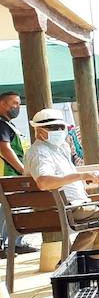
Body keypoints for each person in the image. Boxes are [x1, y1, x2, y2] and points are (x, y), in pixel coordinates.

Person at [28, 108, 99, 250]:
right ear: (39, 130)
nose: (60, 130)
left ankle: (78, 263)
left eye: (62, 127)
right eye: (54, 127)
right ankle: (91, 260)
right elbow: (44, 182)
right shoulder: (40, 153)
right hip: (63, 209)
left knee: (98, 219)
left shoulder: (59, 148)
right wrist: (82, 176)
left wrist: (86, 178)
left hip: (71, 206)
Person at [0, 92, 34, 255]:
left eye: (19, 104)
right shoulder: (1, 125)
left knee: (15, 208)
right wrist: (22, 170)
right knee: (6, 208)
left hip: (13, 174)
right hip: (7, 173)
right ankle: (5, 243)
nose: (17, 108)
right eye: (14, 104)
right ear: (2, 104)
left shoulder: (8, 124)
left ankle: (15, 241)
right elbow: (5, 149)